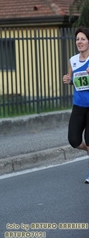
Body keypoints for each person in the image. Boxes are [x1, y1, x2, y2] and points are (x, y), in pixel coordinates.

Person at [62, 26, 89, 184]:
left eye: (83, 39)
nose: (79, 42)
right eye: (78, 39)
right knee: (74, 140)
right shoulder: (72, 60)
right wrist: (68, 80)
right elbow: (72, 79)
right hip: (78, 105)